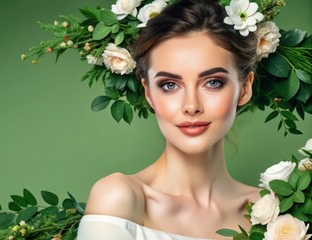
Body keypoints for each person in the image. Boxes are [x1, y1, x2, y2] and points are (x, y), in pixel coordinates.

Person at [76, 0, 261, 239]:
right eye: (170, 85)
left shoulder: (273, 212)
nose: (191, 106)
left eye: (213, 82)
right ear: (149, 93)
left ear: (245, 88)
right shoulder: (119, 198)